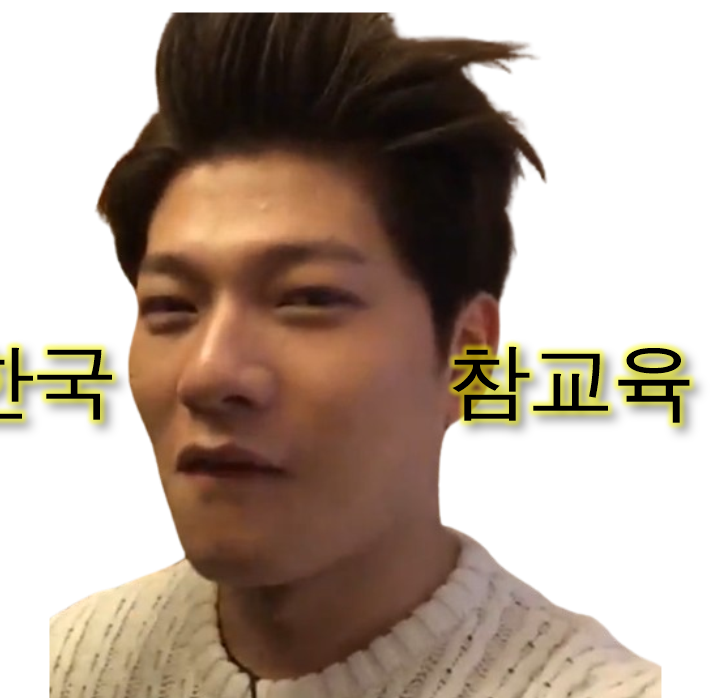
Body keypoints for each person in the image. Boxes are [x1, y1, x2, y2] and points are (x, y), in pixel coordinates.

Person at [50, 13, 661, 698]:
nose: (209, 372)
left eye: (307, 298)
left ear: (468, 358)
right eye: (172, 306)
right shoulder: (65, 663)